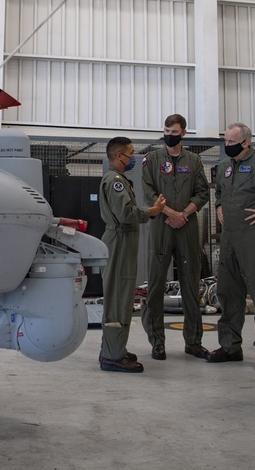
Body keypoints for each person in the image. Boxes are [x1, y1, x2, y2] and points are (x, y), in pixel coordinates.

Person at [207, 122, 255, 371]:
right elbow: (219, 190)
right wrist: (218, 205)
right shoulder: (225, 166)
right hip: (228, 237)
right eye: (225, 141)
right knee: (228, 292)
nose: (227, 145)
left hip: (254, 236)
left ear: (246, 142)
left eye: (231, 141)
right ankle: (230, 346)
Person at [140, 114, 211, 361]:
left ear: (183, 133)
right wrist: (170, 212)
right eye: (166, 129)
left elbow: (203, 192)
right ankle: (157, 341)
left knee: (191, 284)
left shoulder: (193, 160)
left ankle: (193, 341)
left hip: (188, 226)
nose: (169, 133)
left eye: (174, 130)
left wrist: (184, 214)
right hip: (161, 224)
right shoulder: (152, 159)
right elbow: (148, 191)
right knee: (156, 283)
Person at [99, 137, 167, 373]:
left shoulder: (117, 179)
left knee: (122, 295)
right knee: (118, 296)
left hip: (123, 241)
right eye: (130, 153)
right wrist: (153, 211)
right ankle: (112, 356)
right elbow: (126, 213)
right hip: (119, 241)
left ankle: (113, 347)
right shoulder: (115, 181)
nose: (133, 157)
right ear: (119, 156)